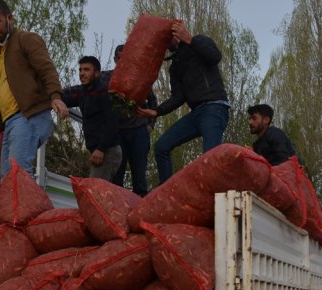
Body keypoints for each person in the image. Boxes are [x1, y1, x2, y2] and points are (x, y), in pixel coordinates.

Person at [0, 0, 68, 178]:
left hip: (28, 116)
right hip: (9, 122)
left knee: (17, 173)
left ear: (10, 18)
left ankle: (28, 198)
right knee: (7, 178)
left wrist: (56, 96)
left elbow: (47, 69)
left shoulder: (26, 39)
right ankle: (27, 197)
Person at [137, 22, 230, 185]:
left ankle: (213, 193)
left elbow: (215, 56)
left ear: (176, 34)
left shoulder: (199, 41)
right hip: (196, 114)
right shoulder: (175, 66)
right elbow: (178, 97)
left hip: (214, 107)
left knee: (210, 157)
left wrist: (190, 40)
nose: (166, 44)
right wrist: (157, 111)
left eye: (167, 39)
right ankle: (168, 191)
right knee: (161, 147)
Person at [102, 44, 157, 196]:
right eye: (119, 58)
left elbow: (153, 101)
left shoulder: (140, 78)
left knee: (139, 177)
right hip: (117, 133)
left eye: (125, 58)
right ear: (115, 59)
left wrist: (151, 124)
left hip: (139, 130)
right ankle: (119, 206)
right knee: (116, 176)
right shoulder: (105, 78)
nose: (122, 62)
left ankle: (141, 207)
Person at [62, 56, 121, 180]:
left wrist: (101, 149)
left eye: (86, 69)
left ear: (97, 73)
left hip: (107, 151)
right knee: (100, 190)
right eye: (80, 70)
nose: (82, 73)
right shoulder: (83, 93)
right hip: (98, 151)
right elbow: (65, 98)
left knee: (93, 190)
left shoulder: (106, 91)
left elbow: (113, 122)